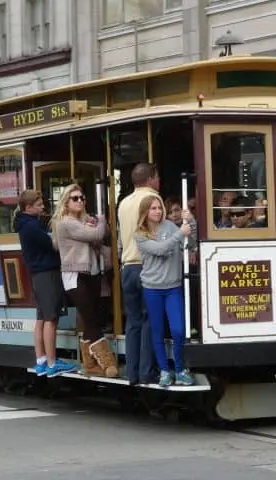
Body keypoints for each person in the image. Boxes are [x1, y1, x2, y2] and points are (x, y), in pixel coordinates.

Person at [52, 184, 117, 378]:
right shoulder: (65, 223)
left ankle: (89, 365)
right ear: (65, 202)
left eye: (82, 197)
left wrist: (95, 224)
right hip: (75, 275)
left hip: (92, 272)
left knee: (91, 318)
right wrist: (102, 219)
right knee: (90, 317)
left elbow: (100, 234)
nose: (80, 201)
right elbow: (98, 233)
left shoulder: (84, 221)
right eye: (75, 198)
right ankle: (107, 361)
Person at [135, 195, 196, 387]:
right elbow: (160, 249)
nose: (158, 211)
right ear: (145, 212)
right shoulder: (140, 234)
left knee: (178, 330)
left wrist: (191, 223)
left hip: (173, 287)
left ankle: (179, 369)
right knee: (157, 330)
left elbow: (190, 244)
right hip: (152, 288)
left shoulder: (170, 226)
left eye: (159, 207)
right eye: (153, 208)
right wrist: (180, 234)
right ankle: (164, 370)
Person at [15, 190, 76, 377]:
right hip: (46, 273)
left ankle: (41, 359)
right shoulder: (32, 227)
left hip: (37, 274)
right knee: (51, 319)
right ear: (28, 207)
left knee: (41, 318)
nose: (43, 207)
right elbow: (53, 244)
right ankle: (51, 362)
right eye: (39, 204)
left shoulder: (25, 224)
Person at [118, 163, 160, 385]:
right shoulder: (153, 200)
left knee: (133, 321)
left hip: (128, 267)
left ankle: (132, 372)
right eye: (158, 177)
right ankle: (147, 371)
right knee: (150, 319)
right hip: (148, 266)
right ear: (151, 178)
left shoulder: (123, 203)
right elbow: (159, 234)